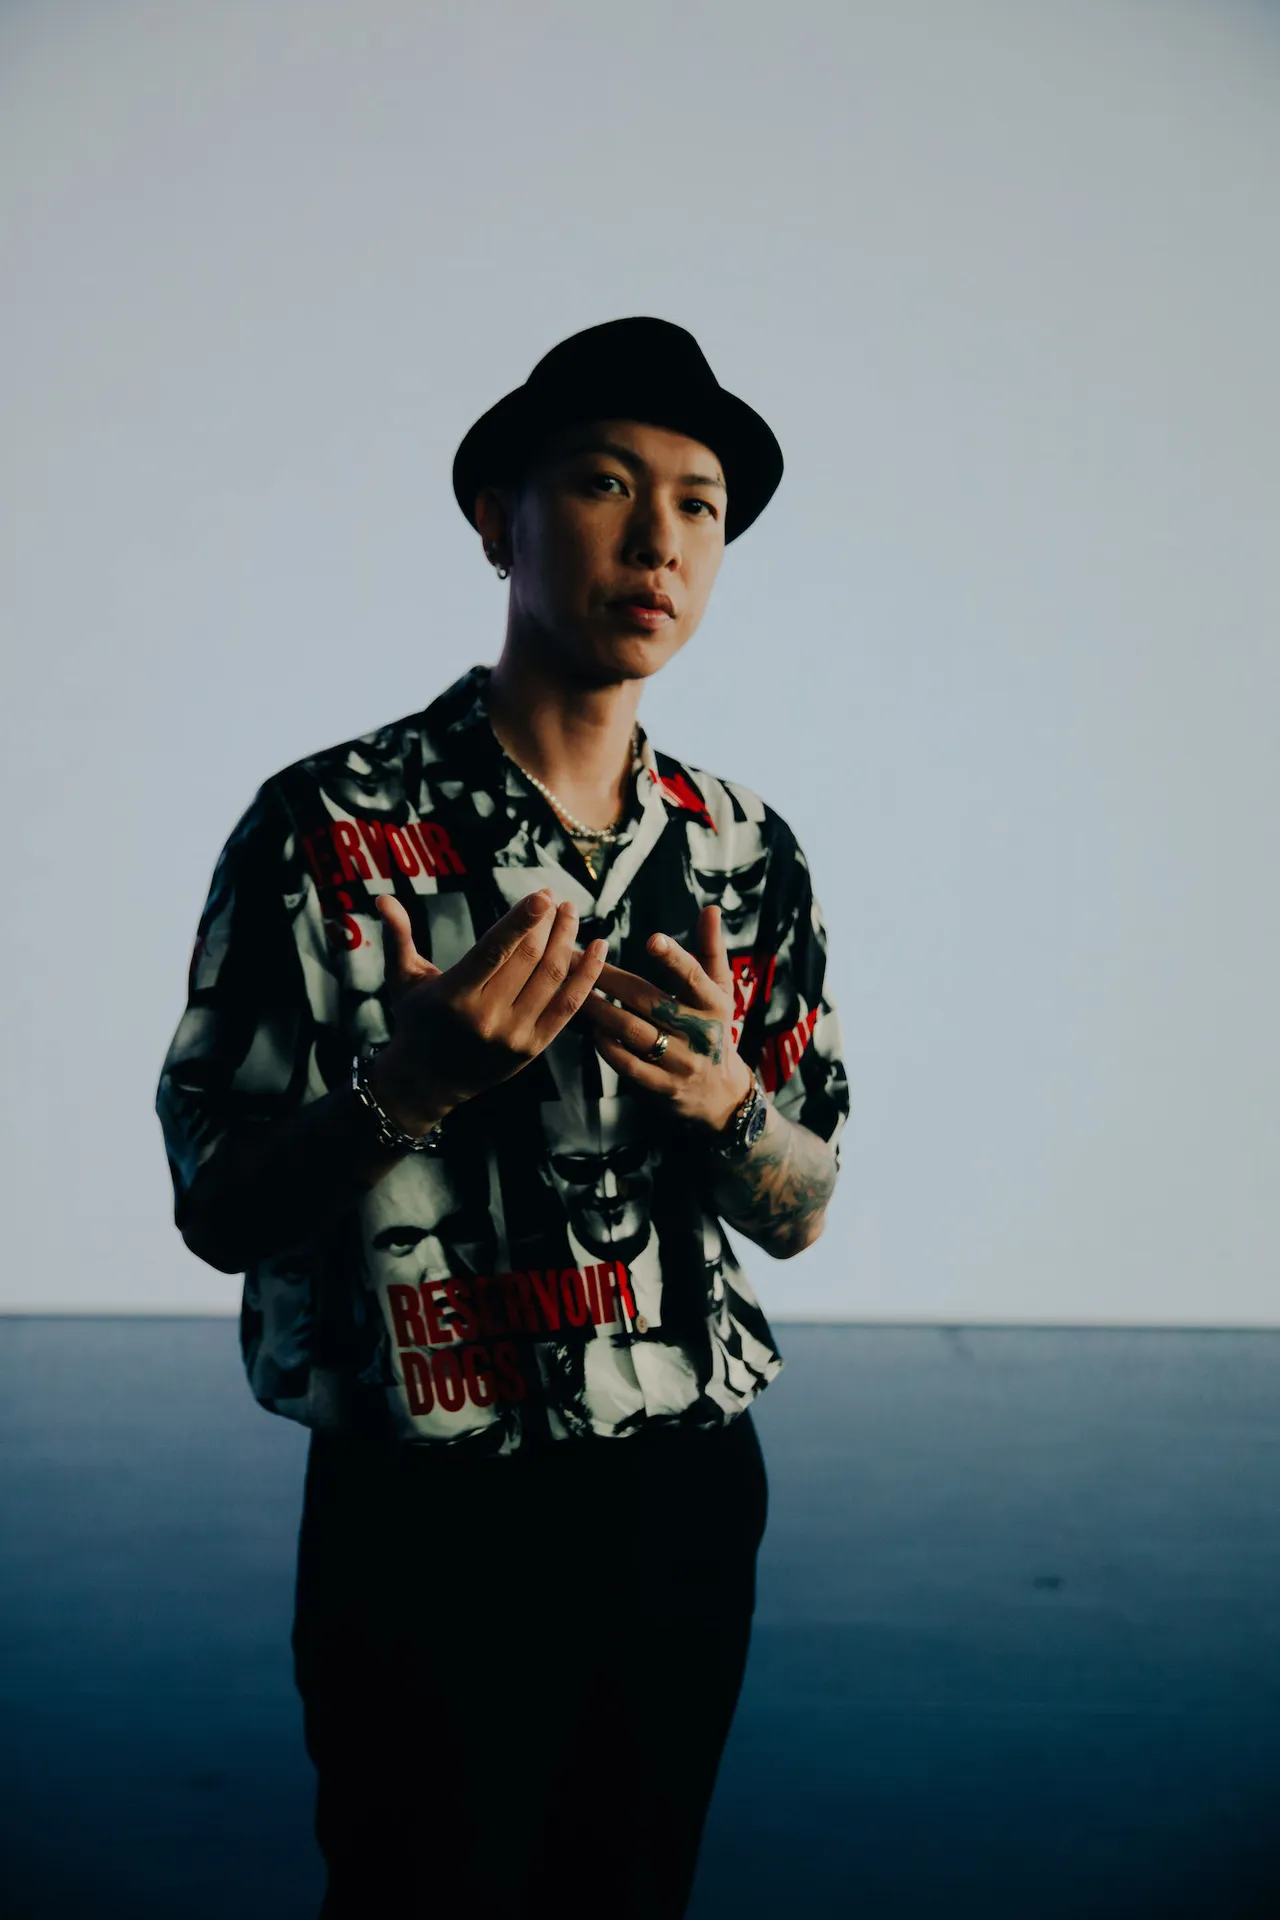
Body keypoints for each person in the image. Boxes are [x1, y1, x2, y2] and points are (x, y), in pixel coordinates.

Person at [156, 315, 849, 1919]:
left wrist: (722, 1099)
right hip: (423, 1511)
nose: (659, 540)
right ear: (498, 520)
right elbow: (217, 1209)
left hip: (681, 1496)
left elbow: (805, 1207)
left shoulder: (745, 852)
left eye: (699, 505)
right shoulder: (327, 826)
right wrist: (408, 1086)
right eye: (605, 483)